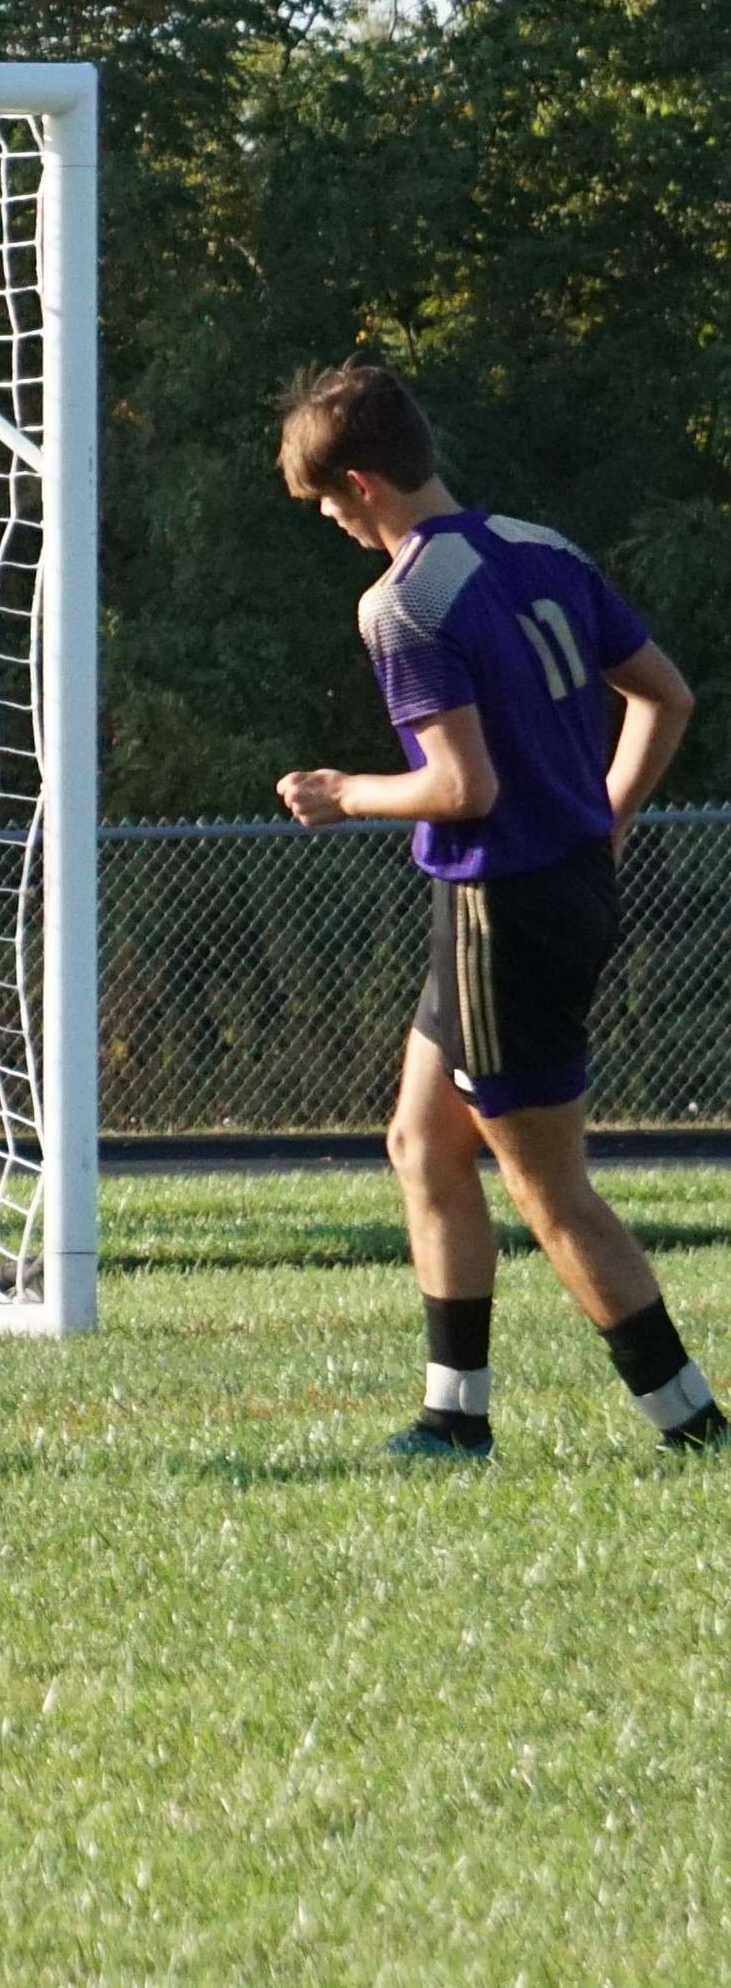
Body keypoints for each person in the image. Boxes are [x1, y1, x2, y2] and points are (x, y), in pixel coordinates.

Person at [273, 361, 720, 1460]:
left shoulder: (402, 603)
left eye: (328, 504)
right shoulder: (540, 547)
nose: (331, 523)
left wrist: (345, 794)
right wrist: (604, 810)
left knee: (546, 1184)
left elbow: (459, 786)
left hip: (500, 908)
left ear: (364, 483)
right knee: (420, 1141)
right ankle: (452, 1414)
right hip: (542, 885)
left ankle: (696, 1427)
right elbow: (665, 694)